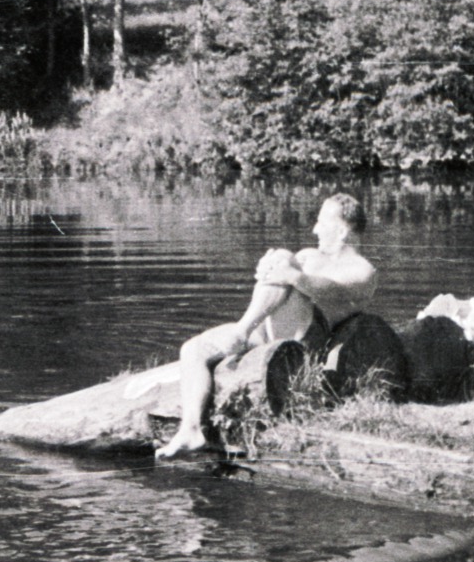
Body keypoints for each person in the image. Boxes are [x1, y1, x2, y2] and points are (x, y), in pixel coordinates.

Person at [155, 193, 377, 458]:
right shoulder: (308, 255)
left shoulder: (363, 270)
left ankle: (241, 330)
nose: (315, 229)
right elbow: (277, 279)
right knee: (193, 349)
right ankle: (190, 429)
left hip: (302, 343)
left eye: (321, 222)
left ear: (341, 231)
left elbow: (333, 291)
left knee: (284, 256)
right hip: (266, 330)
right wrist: (268, 267)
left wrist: (292, 275)